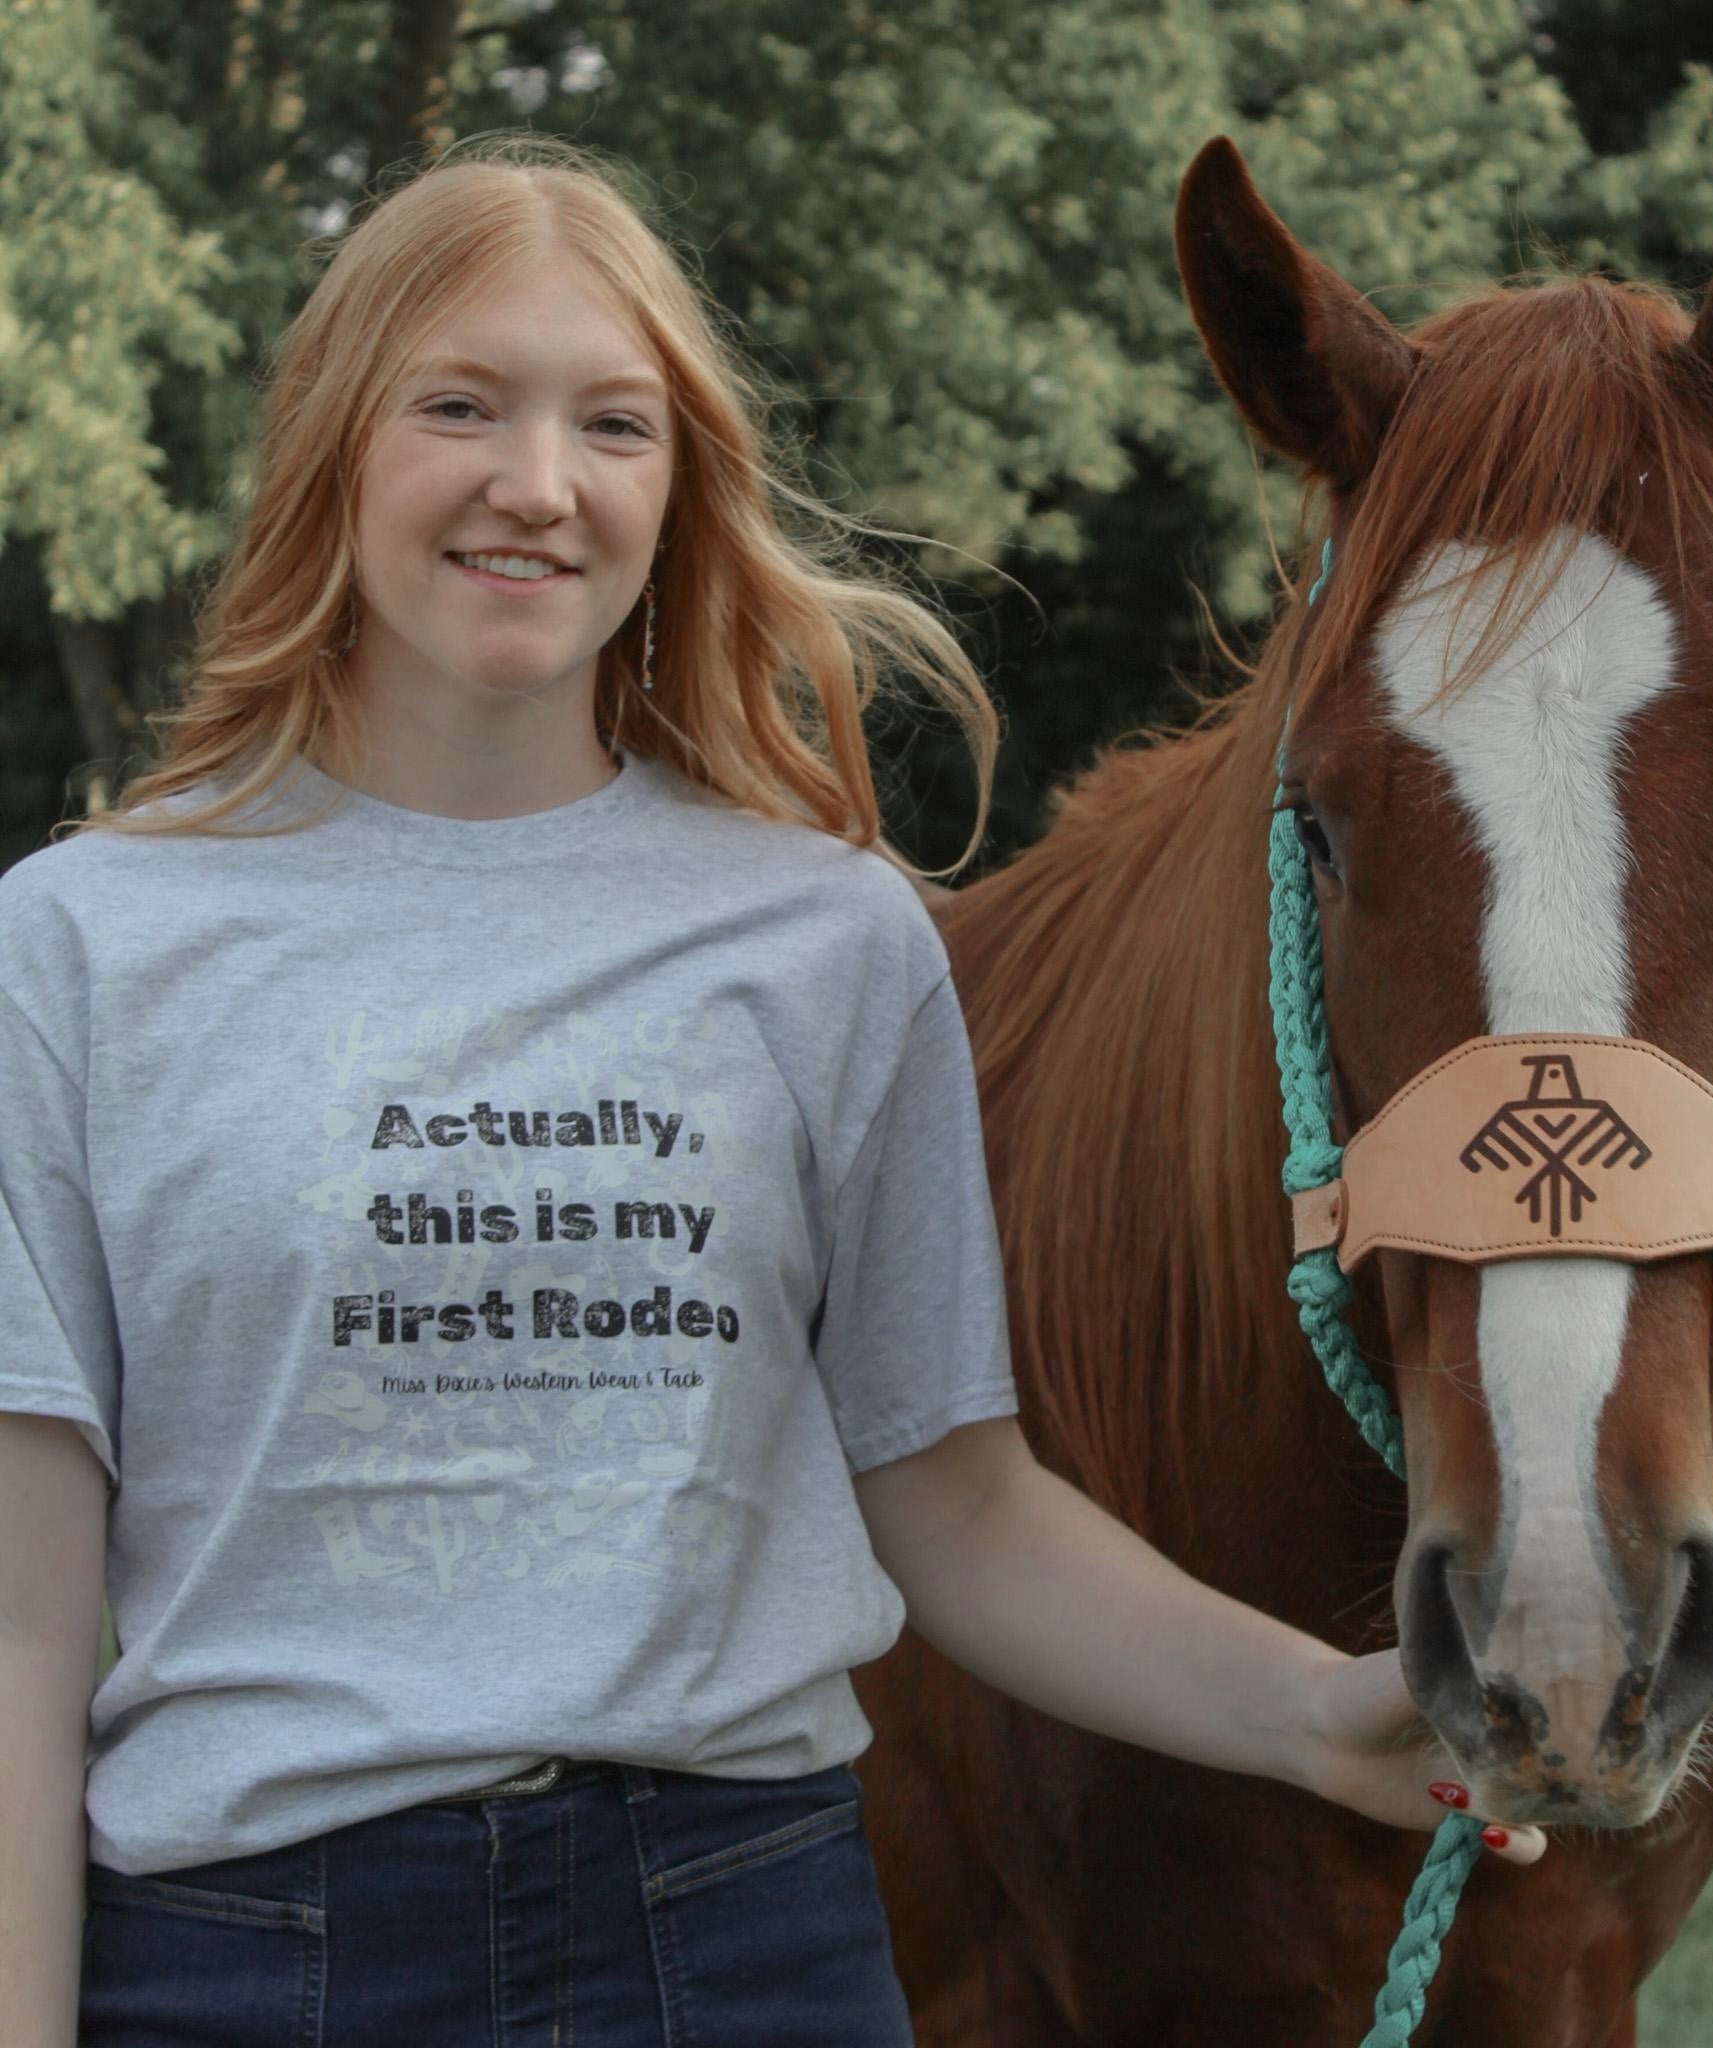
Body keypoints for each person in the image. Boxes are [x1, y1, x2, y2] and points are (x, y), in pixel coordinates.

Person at [0, 131, 1543, 2048]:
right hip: (251, 1952)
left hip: (737, 1942)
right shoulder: (79, 946)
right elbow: (22, 1623)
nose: (537, 484)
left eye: (615, 426)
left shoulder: (828, 940)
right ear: (332, 444)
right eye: (459, 405)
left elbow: (959, 1507)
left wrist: (1312, 1714)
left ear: (679, 486)